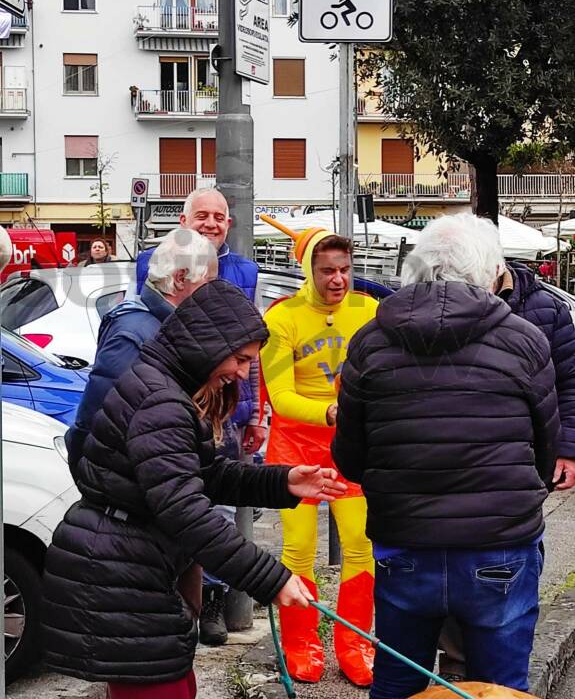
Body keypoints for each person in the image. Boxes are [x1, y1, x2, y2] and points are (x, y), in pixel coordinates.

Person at [41, 279, 347, 699]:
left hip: (132, 566)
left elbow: (202, 475)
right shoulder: (161, 403)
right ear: (207, 345)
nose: (242, 373)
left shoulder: (168, 389)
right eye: (239, 359)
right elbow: (186, 509)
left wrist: (283, 482)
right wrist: (271, 580)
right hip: (120, 574)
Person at [332, 213, 559, 699]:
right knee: (501, 688)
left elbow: (350, 458)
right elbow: (545, 452)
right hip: (500, 544)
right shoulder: (524, 341)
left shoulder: (369, 342)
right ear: (487, 272)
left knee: (398, 682)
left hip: (405, 540)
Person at [136, 188, 266, 646]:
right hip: (179, 399)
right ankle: (178, 597)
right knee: (183, 500)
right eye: (202, 216)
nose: (211, 223)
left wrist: (254, 412)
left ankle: (210, 601)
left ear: (229, 224)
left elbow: (251, 349)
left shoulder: (244, 270)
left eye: (219, 217)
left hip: (227, 404)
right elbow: (156, 336)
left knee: (223, 502)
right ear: (183, 219)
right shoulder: (153, 265)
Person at [438, 254, 575, 681]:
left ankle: (500, 671)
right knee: (456, 572)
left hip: (520, 469)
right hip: (450, 468)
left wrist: (567, 450)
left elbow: (570, 382)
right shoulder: (445, 304)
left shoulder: (546, 308)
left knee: (511, 570)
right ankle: (462, 673)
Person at [259, 226, 379, 686]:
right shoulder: (280, 318)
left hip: (349, 448)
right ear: (307, 270)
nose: (338, 279)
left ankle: (355, 643)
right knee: (298, 549)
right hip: (295, 448)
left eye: (345, 269)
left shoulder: (370, 311)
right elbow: (281, 395)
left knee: (360, 544)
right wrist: (334, 411)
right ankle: (300, 643)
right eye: (328, 270)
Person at [65, 228, 218, 479]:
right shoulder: (134, 336)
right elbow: (95, 425)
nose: (212, 293)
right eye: (208, 282)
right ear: (181, 278)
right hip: (126, 493)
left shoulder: (163, 326)